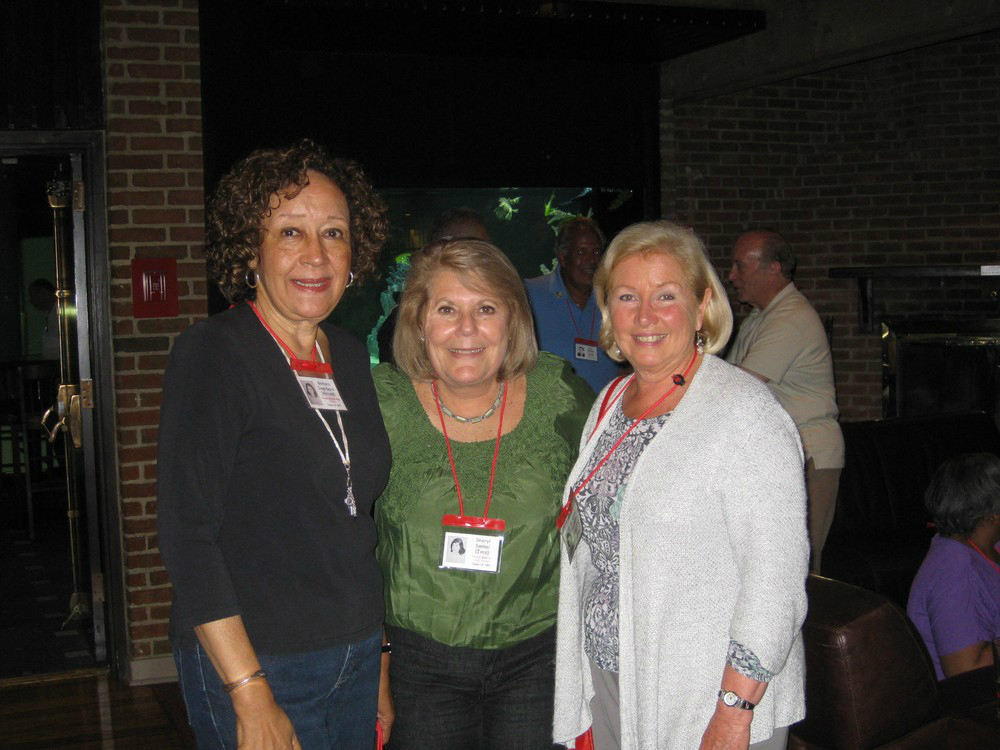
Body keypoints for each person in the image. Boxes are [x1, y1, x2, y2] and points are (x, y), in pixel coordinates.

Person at [157, 139, 393, 750]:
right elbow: (187, 536)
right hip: (262, 661)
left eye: (334, 233)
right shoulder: (215, 353)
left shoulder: (349, 354)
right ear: (250, 250)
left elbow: (357, 522)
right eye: (291, 232)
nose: (316, 254)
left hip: (355, 655)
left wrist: (378, 661)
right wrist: (249, 691)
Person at [554, 221, 808, 750]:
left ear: (702, 304)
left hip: (706, 694)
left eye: (666, 295)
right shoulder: (610, 403)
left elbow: (775, 582)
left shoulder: (744, 413)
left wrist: (734, 711)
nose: (645, 316)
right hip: (612, 675)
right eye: (627, 296)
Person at [373, 238, 593, 750]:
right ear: (418, 321)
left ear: (513, 320)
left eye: (486, 308)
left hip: (536, 657)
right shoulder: (381, 403)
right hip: (417, 661)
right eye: (447, 309)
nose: (467, 328)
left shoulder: (559, 394)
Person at [725, 229, 844, 573]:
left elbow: (738, 388)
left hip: (809, 454)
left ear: (773, 268)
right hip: (782, 453)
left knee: (797, 569)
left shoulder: (790, 318)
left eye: (740, 266)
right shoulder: (761, 316)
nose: (731, 275)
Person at [907, 452, 1000, 681]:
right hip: (977, 695)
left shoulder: (987, 543)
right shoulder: (954, 572)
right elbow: (965, 671)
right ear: (992, 517)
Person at [376, 207, 491, 364]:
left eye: (483, 250)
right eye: (445, 310)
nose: (471, 258)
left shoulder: (508, 310)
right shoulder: (401, 324)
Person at [524, 217, 623, 393]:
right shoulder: (529, 295)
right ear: (562, 257)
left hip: (605, 407)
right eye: (581, 252)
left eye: (596, 252)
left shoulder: (614, 301)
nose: (591, 260)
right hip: (547, 407)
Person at [28, 278, 59, 360]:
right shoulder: (49, 314)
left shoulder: (60, 313)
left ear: (44, 293)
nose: (31, 301)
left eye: (33, 296)